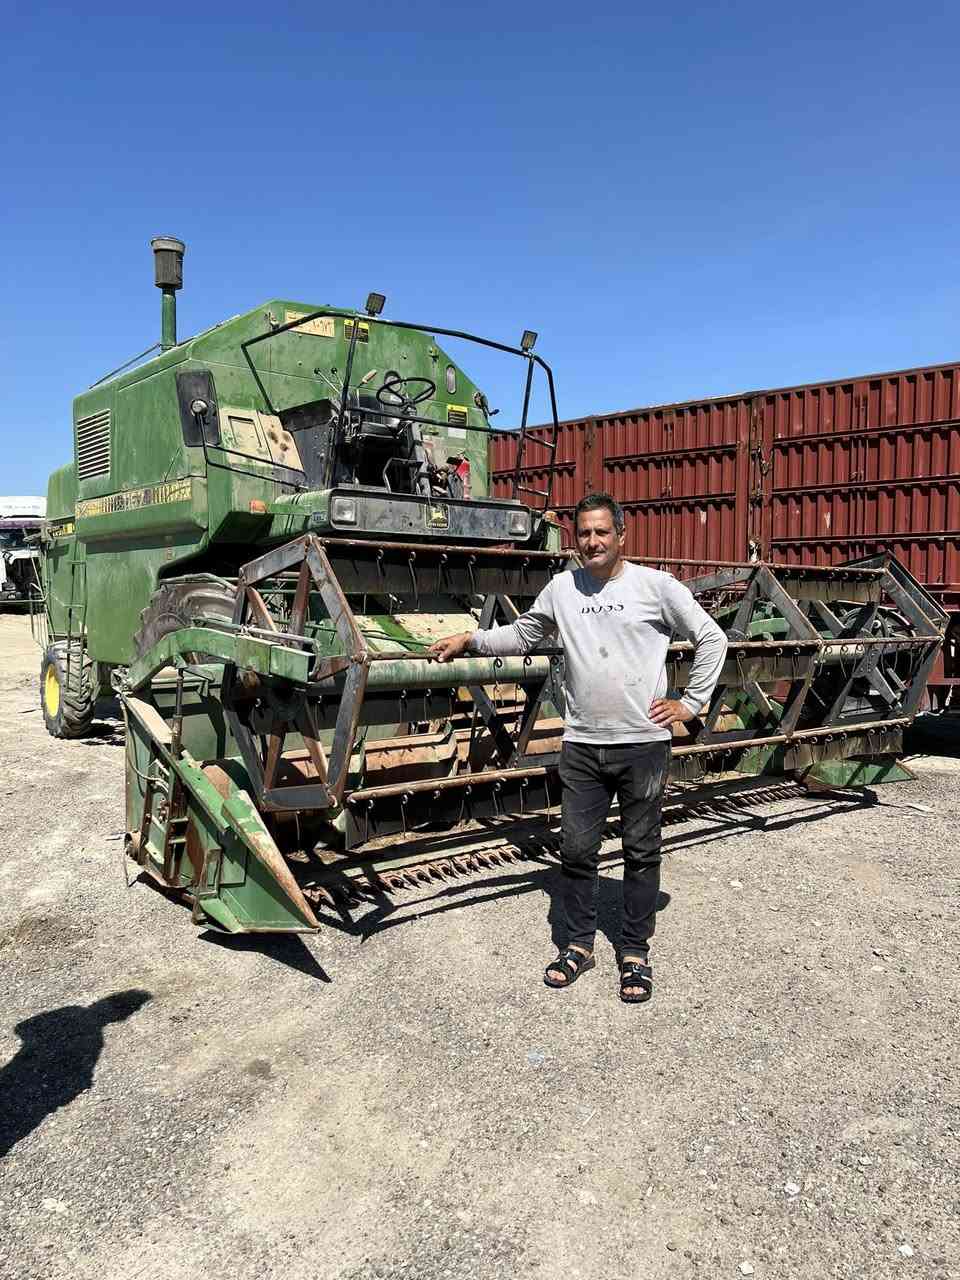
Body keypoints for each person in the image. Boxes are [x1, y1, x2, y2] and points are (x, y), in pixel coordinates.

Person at [428, 492, 727, 1004]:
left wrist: (690, 704)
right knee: (576, 851)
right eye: (584, 533)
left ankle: (634, 953)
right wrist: (470, 639)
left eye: (601, 531)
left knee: (641, 851)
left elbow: (711, 638)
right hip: (583, 745)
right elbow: (522, 636)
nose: (592, 541)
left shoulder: (655, 586)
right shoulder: (562, 589)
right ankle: (579, 945)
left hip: (642, 746)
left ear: (621, 535)